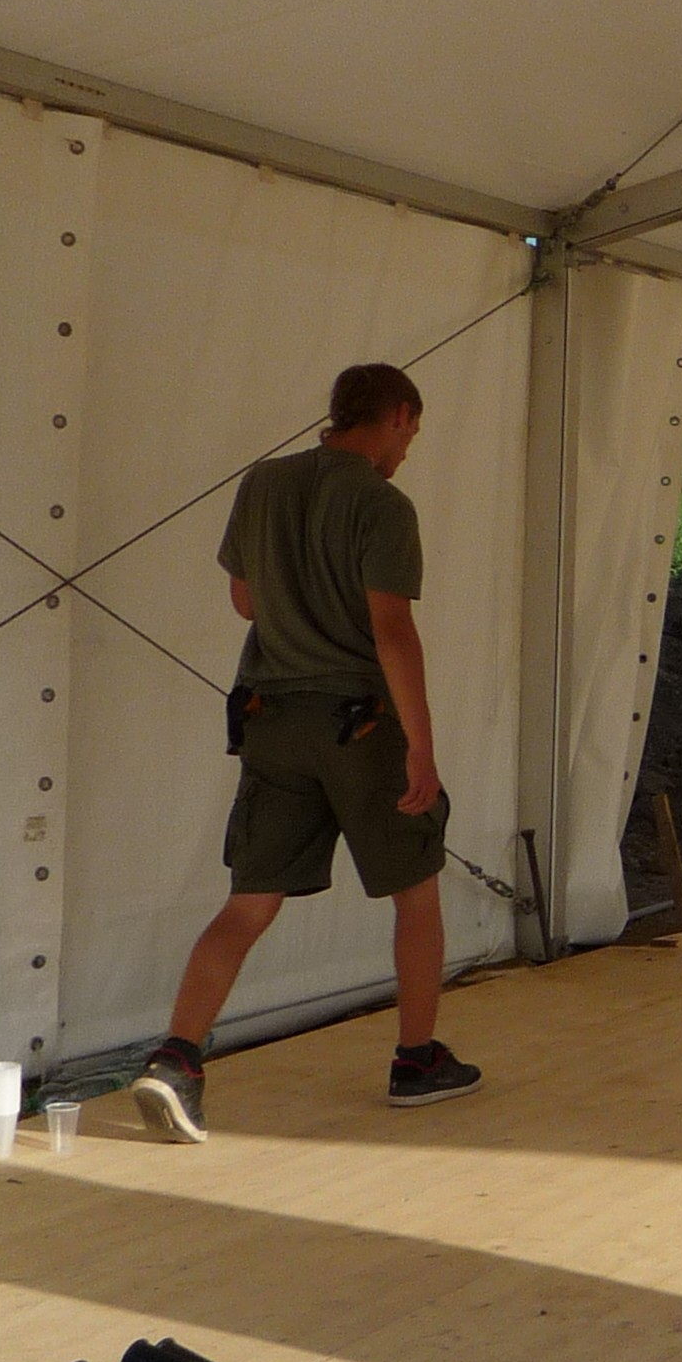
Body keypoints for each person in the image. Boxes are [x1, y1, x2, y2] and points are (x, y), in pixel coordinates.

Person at [121, 363, 481, 1140]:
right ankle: (416, 1060)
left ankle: (176, 1060)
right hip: (358, 725)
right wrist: (421, 747)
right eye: (412, 434)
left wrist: (298, 596)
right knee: (415, 891)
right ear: (396, 415)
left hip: (270, 719)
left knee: (249, 901)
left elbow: (245, 600)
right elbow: (392, 631)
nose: (408, 450)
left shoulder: (264, 484)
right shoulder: (382, 504)